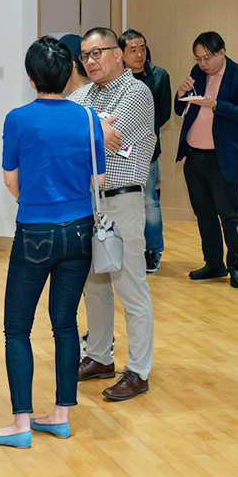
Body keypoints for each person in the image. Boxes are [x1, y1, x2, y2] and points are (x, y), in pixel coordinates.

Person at [0, 38, 104, 448]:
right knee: (66, 323)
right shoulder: (88, 119)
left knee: (17, 328)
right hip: (81, 230)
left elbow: (10, 179)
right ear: (71, 73)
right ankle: (60, 416)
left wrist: (33, 201)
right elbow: (98, 182)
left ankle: (20, 424)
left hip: (35, 231)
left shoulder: (18, 119)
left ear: (31, 77)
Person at [71, 27, 158, 402]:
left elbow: (112, 135)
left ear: (118, 54)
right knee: (94, 284)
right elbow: (78, 133)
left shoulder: (137, 93)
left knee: (129, 286)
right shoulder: (82, 94)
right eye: (85, 56)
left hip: (122, 201)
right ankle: (98, 356)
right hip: (88, 200)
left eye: (98, 53)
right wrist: (94, 127)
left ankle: (138, 370)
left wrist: (85, 126)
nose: (91, 61)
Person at [176, 31, 238, 289]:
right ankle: (213, 263)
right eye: (198, 58)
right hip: (194, 155)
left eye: (207, 58)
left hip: (223, 158)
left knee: (229, 215)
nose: (202, 64)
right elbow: (181, 109)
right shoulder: (197, 73)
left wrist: (215, 104)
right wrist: (180, 93)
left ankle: (237, 266)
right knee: (204, 213)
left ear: (222, 52)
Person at [121, 29, 171, 274]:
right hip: (119, 152)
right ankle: (130, 248)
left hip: (147, 151)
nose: (139, 54)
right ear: (121, 53)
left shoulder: (159, 75)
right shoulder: (117, 79)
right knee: (124, 202)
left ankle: (153, 250)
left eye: (142, 48)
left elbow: (163, 114)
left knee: (149, 202)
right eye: (133, 50)